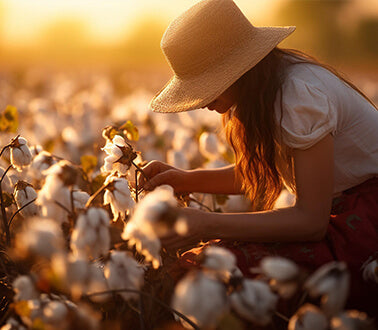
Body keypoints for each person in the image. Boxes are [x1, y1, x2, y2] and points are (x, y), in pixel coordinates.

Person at [141, 0, 378, 315]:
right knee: (215, 268)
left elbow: (311, 222)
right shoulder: (272, 84)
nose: (201, 102)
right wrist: (186, 179)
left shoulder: (297, 95)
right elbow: (272, 171)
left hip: (368, 220)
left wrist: (207, 225)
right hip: (345, 210)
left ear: (235, 70)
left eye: (205, 88)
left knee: (223, 272)